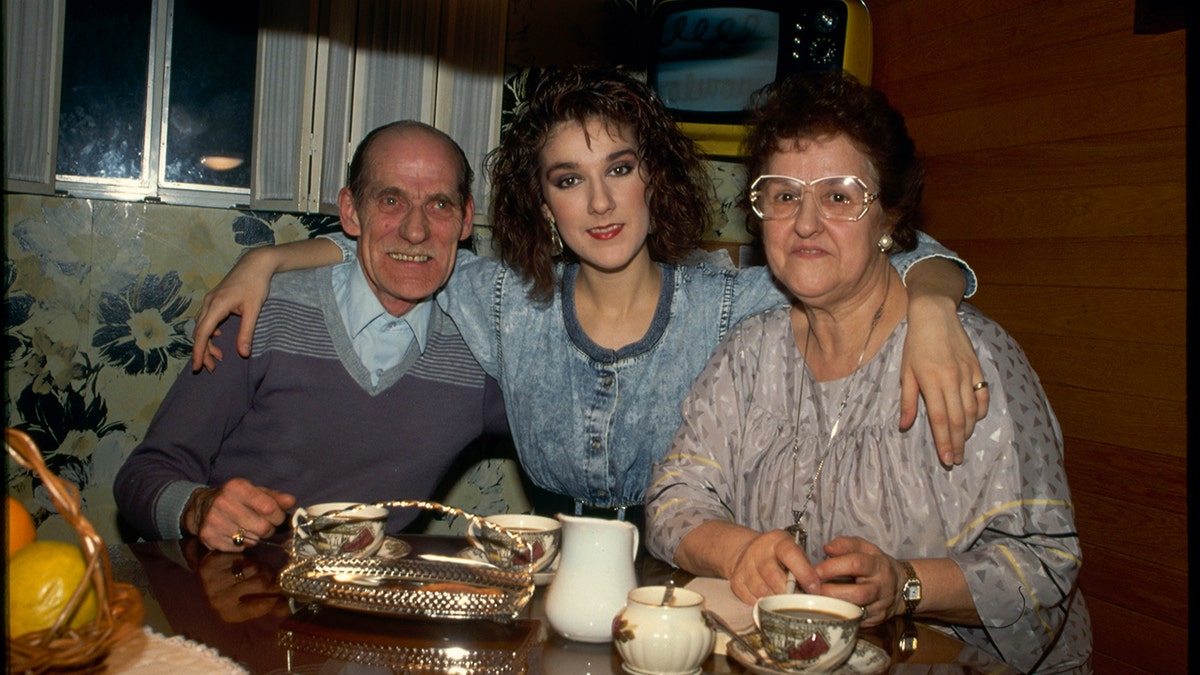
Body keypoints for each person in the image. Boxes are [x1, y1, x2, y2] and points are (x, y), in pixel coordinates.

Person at [189, 67, 986, 528]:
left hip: (693, 598)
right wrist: (268, 259)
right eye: (570, 179)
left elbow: (892, 248)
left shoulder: (727, 304)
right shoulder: (500, 300)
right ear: (542, 204)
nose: (600, 204)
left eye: (619, 170)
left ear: (654, 179)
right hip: (551, 600)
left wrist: (934, 306)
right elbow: (401, 244)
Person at [643, 73, 1091, 672]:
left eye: (838, 196)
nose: (804, 223)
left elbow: (1045, 563)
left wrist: (906, 584)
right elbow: (673, 499)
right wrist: (739, 550)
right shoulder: (748, 353)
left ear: (890, 218)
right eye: (782, 195)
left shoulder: (969, 357)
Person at [113, 121, 508, 552]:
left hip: (367, 603)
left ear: (466, 219)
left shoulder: (478, 348)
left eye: (439, 205)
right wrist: (198, 506)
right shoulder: (261, 311)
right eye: (390, 200)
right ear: (352, 211)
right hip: (234, 594)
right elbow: (141, 480)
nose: (416, 231)